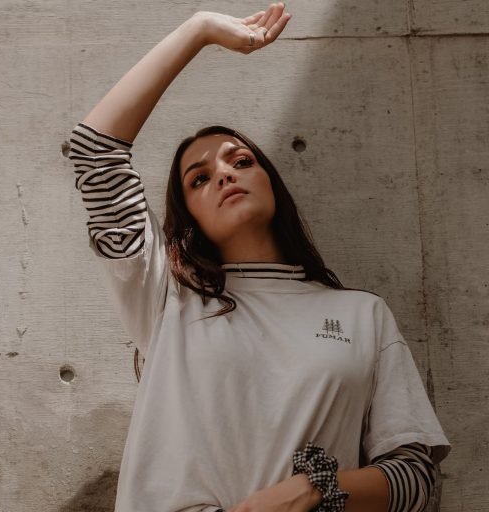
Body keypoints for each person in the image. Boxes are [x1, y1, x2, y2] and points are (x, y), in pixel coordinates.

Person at [68, 4, 450, 512]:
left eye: (241, 160)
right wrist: (200, 29)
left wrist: (316, 489)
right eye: (199, 178)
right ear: (189, 216)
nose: (224, 174)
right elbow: (94, 151)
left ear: (270, 181)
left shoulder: (364, 315)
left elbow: (417, 478)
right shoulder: (165, 297)